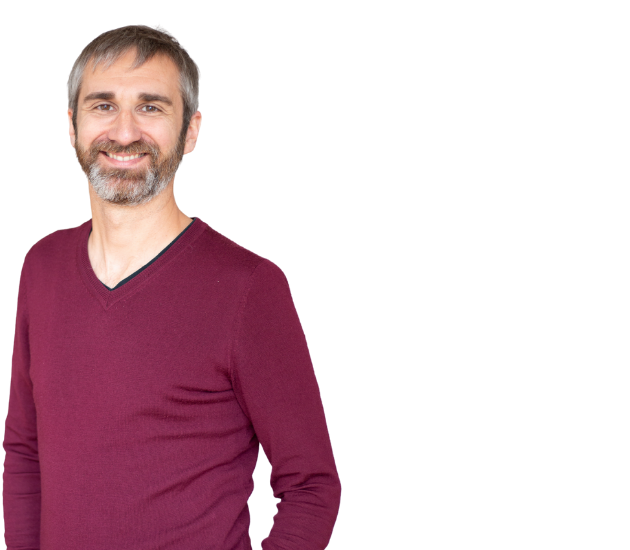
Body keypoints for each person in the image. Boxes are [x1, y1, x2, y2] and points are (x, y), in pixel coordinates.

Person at [2, 24, 341, 550]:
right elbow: (26, 453)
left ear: (191, 130)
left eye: (151, 107)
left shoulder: (249, 287)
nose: (124, 132)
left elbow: (311, 488)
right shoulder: (41, 266)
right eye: (103, 105)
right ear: (71, 125)